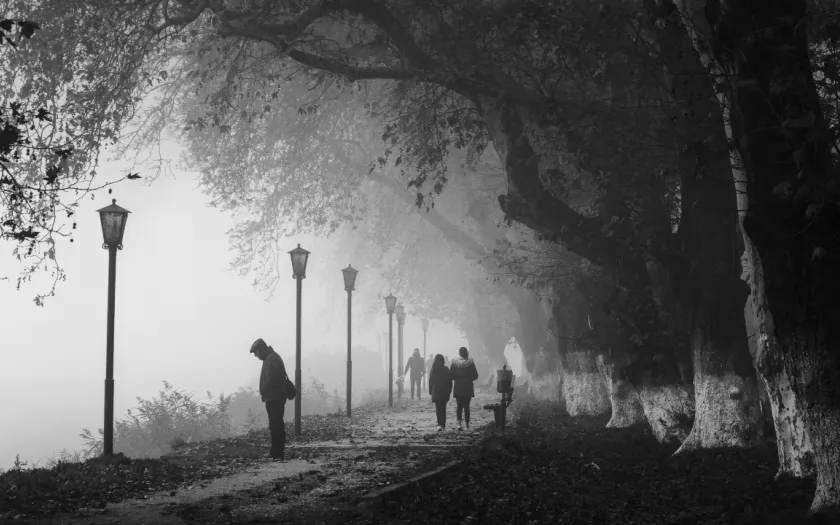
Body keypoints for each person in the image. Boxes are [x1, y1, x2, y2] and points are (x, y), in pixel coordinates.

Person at [250, 338, 288, 460]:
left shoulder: (271, 359)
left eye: (256, 352)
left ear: (260, 350)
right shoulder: (271, 358)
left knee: (276, 425)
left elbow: (271, 380)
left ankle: (277, 453)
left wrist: (262, 389)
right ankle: (276, 452)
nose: (255, 355)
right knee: (275, 425)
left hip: (274, 397)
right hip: (274, 396)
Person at [449, 346, 479, 431]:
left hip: (458, 386)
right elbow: (475, 376)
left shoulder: (454, 363)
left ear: (459, 353)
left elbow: (451, 375)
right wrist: (469, 378)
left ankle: (459, 423)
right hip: (467, 386)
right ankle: (467, 424)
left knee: (459, 405)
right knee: (466, 406)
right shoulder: (470, 363)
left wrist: (457, 378)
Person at [428, 354, 453, 431]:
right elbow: (449, 381)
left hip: (436, 391)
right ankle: (443, 425)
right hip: (444, 391)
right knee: (443, 409)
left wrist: (430, 391)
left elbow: (430, 381)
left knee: (438, 409)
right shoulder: (446, 369)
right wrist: (449, 391)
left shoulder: (433, 369)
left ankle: (439, 424)